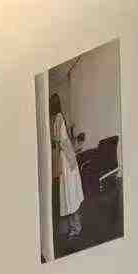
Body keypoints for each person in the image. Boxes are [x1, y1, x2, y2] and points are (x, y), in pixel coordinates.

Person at [49, 91, 84, 244]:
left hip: (67, 162)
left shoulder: (58, 119)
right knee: (69, 195)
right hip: (67, 161)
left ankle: (76, 227)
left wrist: (71, 159)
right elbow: (62, 141)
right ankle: (72, 226)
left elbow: (62, 142)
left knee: (71, 195)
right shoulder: (58, 119)